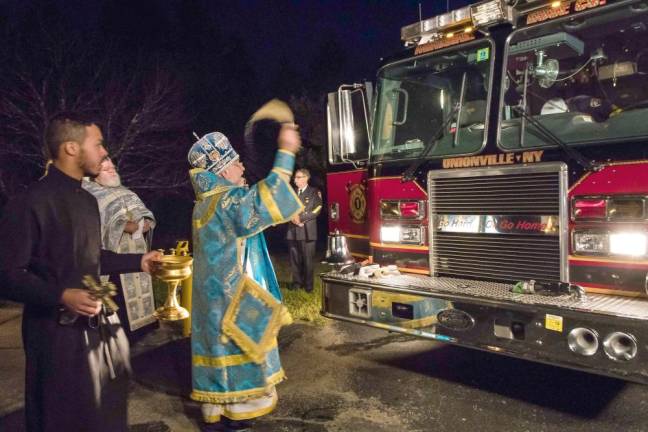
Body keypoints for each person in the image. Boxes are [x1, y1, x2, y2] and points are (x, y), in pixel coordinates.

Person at [0, 112, 161, 432]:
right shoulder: (30, 201)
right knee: (62, 416)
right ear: (71, 148)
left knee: (104, 411)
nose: (103, 152)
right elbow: (6, 274)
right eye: (98, 144)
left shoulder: (87, 201)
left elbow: (90, 258)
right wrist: (60, 295)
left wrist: (138, 262)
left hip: (98, 327)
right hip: (53, 335)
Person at [187, 124, 303, 432]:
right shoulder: (225, 201)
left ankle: (217, 413)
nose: (241, 166)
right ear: (223, 171)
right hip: (230, 300)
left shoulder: (203, 204)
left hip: (210, 302)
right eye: (236, 162)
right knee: (242, 350)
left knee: (217, 356)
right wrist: (287, 152)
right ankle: (236, 415)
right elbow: (261, 201)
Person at [83, 157, 158, 343]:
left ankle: (142, 334)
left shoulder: (125, 192)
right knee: (119, 309)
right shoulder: (89, 193)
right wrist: (123, 225)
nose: (111, 169)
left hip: (138, 253)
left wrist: (144, 222)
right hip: (113, 258)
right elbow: (100, 221)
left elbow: (144, 213)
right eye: (106, 168)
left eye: (112, 167)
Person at [286, 168, 322, 292]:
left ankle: (308, 286)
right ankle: (297, 283)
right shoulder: (292, 193)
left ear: (306, 178)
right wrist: (293, 219)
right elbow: (286, 209)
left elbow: (317, 209)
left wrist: (301, 218)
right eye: (295, 178)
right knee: (294, 259)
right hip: (293, 230)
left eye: (298, 177)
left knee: (308, 259)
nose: (295, 180)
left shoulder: (314, 192)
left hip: (307, 230)